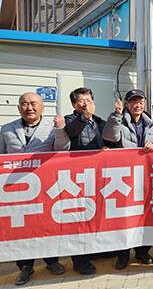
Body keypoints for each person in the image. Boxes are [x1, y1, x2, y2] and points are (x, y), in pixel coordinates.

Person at [0, 92, 69, 285]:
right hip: (15, 191)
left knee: (46, 226)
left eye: (33, 103)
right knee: (21, 230)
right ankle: (25, 266)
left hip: (44, 190)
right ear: (18, 107)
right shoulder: (6, 129)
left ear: (42, 107)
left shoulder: (52, 128)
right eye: (24, 104)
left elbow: (62, 150)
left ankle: (51, 261)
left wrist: (60, 130)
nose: (29, 107)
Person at [102, 89, 153, 270]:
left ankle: (142, 251)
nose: (138, 105)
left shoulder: (151, 124)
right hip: (124, 177)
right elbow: (109, 137)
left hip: (145, 177)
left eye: (141, 102)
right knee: (124, 217)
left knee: (145, 215)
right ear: (127, 104)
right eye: (134, 102)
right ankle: (123, 254)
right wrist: (116, 115)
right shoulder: (118, 120)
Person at [64, 87, 116, 275]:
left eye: (89, 100)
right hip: (76, 177)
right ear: (73, 104)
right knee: (79, 217)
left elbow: (108, 140)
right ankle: (79, 260)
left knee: (97, 213)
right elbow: (71, 132)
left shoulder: (100, 121)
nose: (86, 104)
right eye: (81, 101)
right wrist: (84, 117)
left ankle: (96, 250)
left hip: (98, 176)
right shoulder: (69, 120)